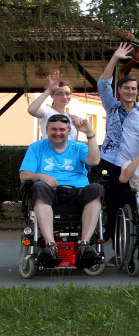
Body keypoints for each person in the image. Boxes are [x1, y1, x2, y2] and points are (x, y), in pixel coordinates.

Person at [19, 114, 102, 266]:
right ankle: (51, 246)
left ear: (69, 131)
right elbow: (24, 176)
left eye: (62, 129)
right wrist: (41, 176)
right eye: (54, 129)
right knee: (38, 187)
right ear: (46, 129)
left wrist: (90, 133)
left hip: (78, 192)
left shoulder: (79, 147)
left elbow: (95, 161)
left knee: (96, 188)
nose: (58, 132)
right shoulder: (36, 147)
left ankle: (84, 245)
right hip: (49, 192)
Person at [97, 43, 139, 245]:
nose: (130, 91)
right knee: (112, 205)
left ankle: (130, 243)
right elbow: (103, 84)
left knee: (129, 204)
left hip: (131, 165)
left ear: (137, 92)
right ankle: (114, 244)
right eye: (126, 88)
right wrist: (115, 58)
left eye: (133, 89)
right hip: (109, 162)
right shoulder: (111, 106)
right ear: (121, 90)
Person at [27, 71, 80, 141]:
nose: (64, 97)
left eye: (67, 93)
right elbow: (32, 110)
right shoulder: (47, 111)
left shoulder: (72, 117)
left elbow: (74, 141)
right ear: (52, 95)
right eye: (60, 93)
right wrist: (49, 90)